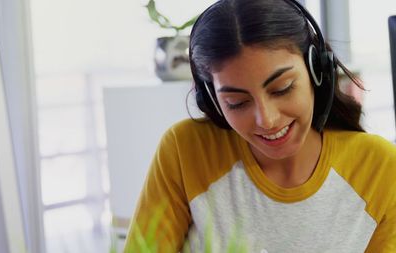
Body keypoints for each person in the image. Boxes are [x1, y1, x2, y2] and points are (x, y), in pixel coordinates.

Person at [124, 0, 396, 252]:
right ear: (213, 100)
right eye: (237, 102)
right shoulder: (186, 151)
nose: (266, 120)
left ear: (316, 70)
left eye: (282, 89)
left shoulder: (378, 167)